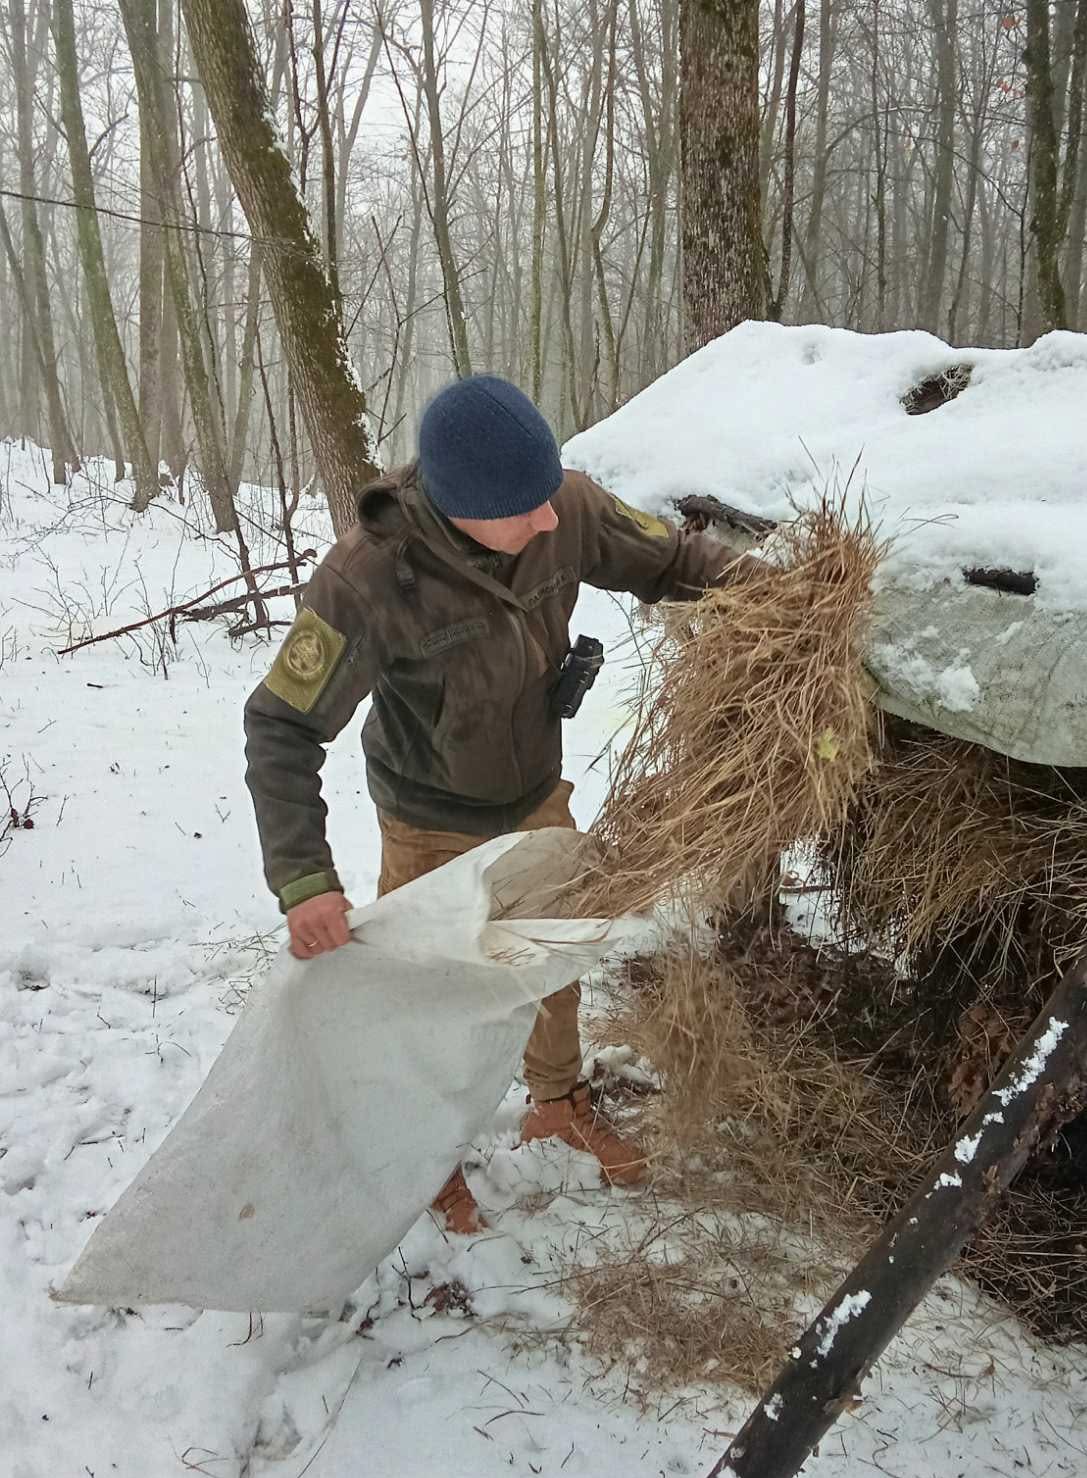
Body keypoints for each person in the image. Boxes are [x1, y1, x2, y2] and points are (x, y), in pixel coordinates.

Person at [243, 375, 737, 1233]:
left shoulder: (562, 505)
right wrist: (303, 878)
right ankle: (423, 1155)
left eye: (549, 496)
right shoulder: (366, 580)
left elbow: (673, 561)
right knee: (430, 994)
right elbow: (281, 727)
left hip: (534, 792)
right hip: (426, 815)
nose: (548, 520)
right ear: (461, 507)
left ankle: (557, 1104)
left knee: (553, 961)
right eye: (523, 509)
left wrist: (786, 596)